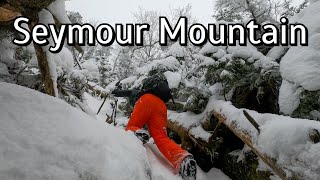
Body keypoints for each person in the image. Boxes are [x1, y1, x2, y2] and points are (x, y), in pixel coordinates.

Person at [125, 74, 197, 180]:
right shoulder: (157, 96)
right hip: (161, 105)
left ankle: (137, 133)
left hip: (146, 100)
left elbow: (129, 95)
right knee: (161, 137)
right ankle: (183, 159)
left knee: (132, 125)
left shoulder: (142, 94)